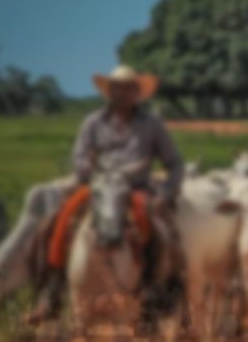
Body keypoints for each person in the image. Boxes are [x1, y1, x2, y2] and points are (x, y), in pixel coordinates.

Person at [25, 65, 184, 324]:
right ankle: (51, 292)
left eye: (129, 88)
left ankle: (152, 289)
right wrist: (90, 170)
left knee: (156, 225)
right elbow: (79, 156)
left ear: (137, 93)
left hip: (136, 189)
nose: (123, 93)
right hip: (97, 186)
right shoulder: (93, 122)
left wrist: (165, 193)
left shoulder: (151, 124)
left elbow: (174, 163)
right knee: (58, 219)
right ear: (109, 91)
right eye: (117, 88)